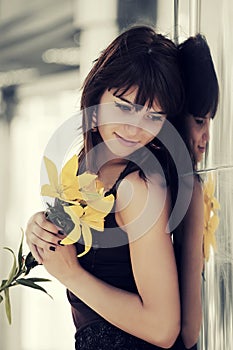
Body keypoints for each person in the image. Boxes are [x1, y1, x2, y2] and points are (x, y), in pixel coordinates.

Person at [25, 25, 187, 350]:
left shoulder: (136, 189)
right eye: (124, 107)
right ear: (97, 93)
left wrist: (70, 273)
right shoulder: (87, 165)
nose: (134, 128)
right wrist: (40, 228)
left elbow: (163, 328)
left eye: (153, 117)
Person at [172, 34, 219, 350]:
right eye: (199, 120)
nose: (206, 138)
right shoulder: (188, 188)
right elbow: (190, 332)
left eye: (210, 123)